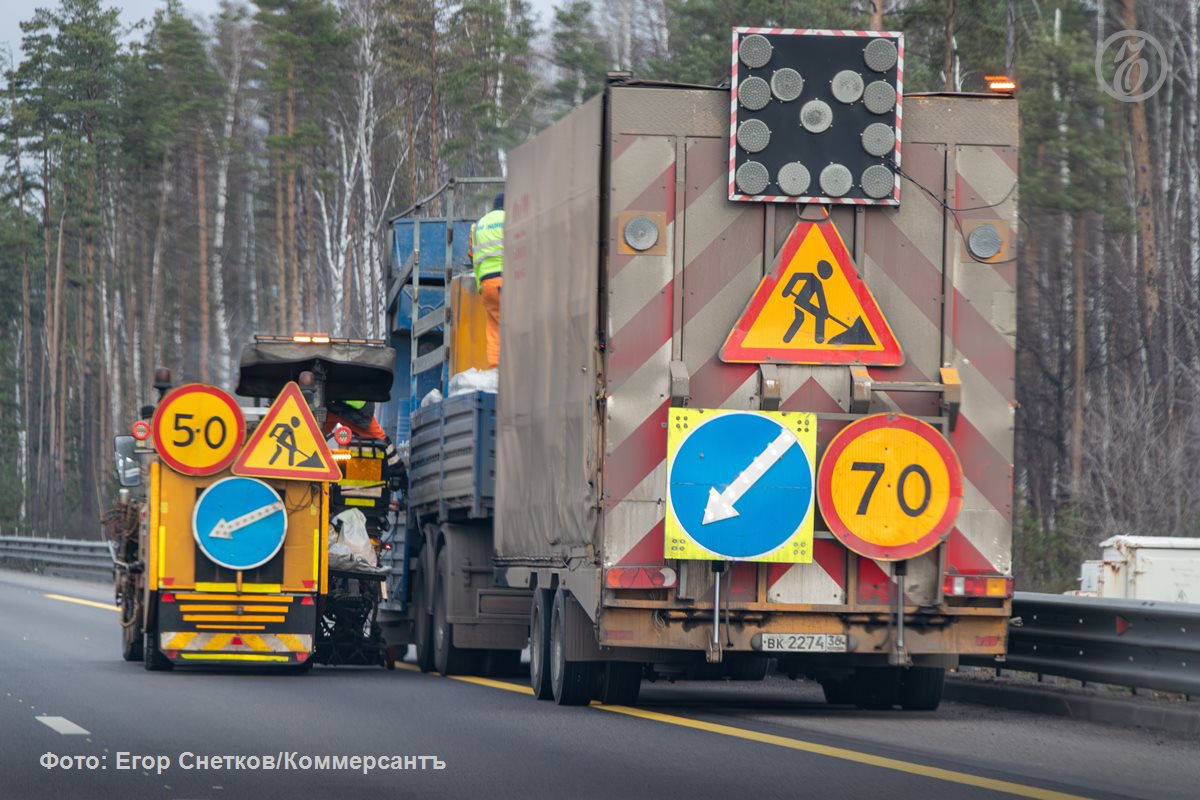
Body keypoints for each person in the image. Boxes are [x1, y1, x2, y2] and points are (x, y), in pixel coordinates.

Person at [472, 194, 505, 369]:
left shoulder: (479, 225)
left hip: (487, 284)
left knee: (493, 327)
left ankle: (495, 369)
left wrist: (480, 286)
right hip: (508, 279)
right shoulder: (511, 219)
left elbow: (474, 258)